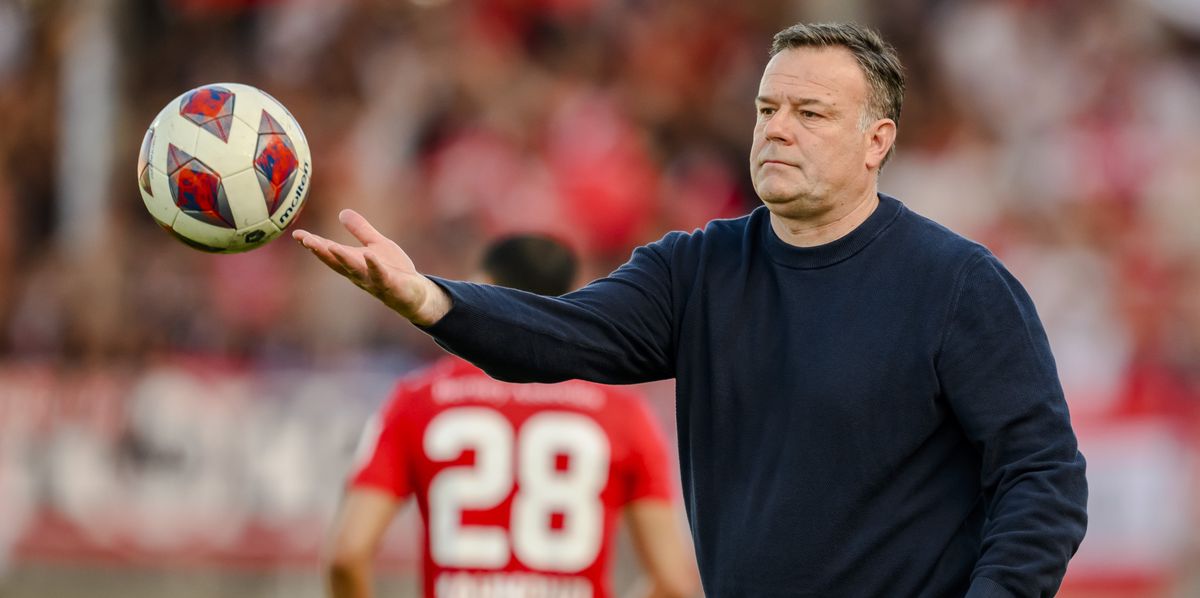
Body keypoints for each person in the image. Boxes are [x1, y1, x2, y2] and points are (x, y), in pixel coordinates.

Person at [299, 22, 1088, 598]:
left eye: (809, 113)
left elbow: (1043, 476)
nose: (777, 128)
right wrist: (428, 297)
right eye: (766, 109)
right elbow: (560, 337)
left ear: (876, 140)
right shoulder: (700, 267)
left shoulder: (957, 284)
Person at [325, 234, 698, 598]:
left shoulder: (418, 399)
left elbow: (348, 555)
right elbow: (674, 582)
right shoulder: (623, 413)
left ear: (482, 288)